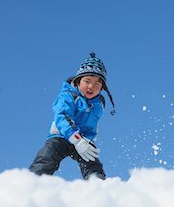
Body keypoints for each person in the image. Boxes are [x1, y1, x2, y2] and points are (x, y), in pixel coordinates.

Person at [29, 52, 115, 180]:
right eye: (87, 81)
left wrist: (86, 140)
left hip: (84, 141)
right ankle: (32, 182)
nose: (91, 86)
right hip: (61, 136)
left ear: (102, 87)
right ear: (78, 81)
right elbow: (62, 115)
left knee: (93, 165)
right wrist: (76, 139)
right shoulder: (68, 96)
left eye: (97, 84)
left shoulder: (98, 104)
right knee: (47, 158)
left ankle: (98, 187)